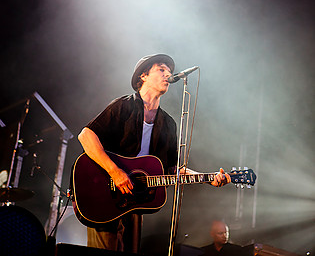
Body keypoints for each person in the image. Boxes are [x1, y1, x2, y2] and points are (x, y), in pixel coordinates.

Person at [78, 54, 231, 253]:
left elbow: (173, 169)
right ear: (143, 75)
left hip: (134, 202)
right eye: (161, 69)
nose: (168, 74)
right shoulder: (123, 106)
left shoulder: (168, 124)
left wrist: (208, 178)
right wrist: (115, 172)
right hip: (105, 192)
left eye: (169, 70)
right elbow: (86, 136)